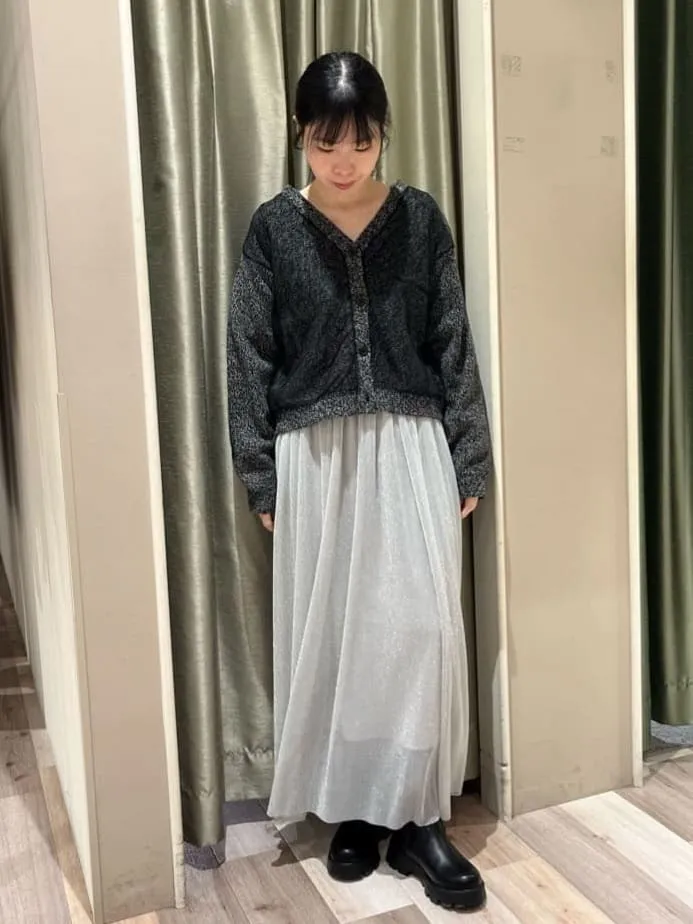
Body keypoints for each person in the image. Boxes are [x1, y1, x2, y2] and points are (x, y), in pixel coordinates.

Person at [227, 51, 491, 913]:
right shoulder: (274, 228)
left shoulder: (419, 219)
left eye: (360, 141)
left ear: (383, 135)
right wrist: (260, 474)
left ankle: (418, 819)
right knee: (341, 639)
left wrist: (469, 453)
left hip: (411, 444)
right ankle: (354, 810)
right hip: (313, 455)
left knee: (416, 631)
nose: (342, 161)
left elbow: (451, 337)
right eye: (323, 141)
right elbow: (248, 356)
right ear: (299, 136)